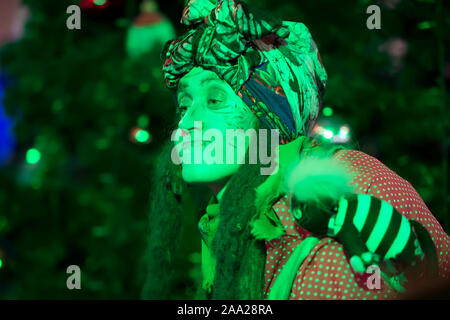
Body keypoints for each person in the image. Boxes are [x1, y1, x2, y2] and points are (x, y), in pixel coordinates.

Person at [141, 0, 450, 300]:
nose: (186, 122)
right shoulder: (223, 225)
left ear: (270, 117)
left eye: (215, 100)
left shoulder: (355, 185)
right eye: (184, 104)